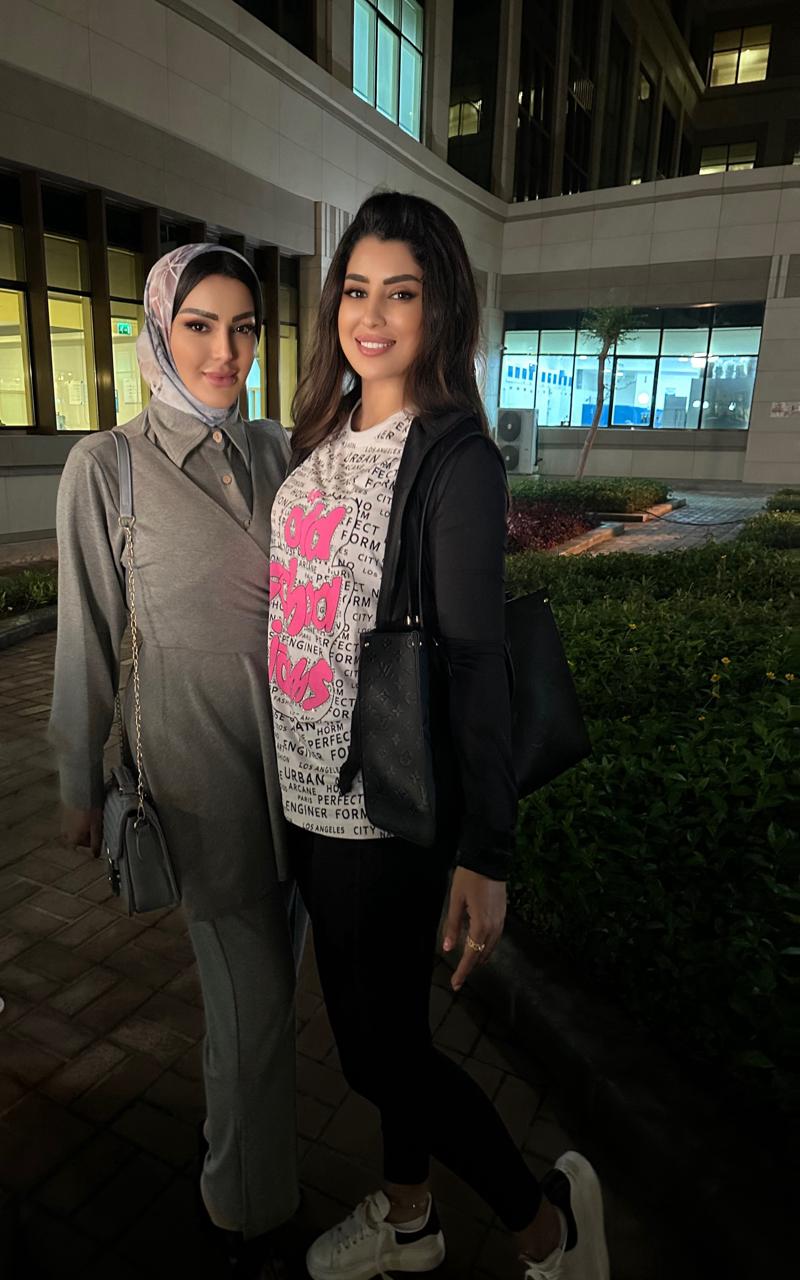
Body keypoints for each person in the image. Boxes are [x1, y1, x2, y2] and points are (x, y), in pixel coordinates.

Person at [268, 192, 609, 1280]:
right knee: (390, 1040)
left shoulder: (455, 455)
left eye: (400, 294)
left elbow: (472, 662)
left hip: (383, 808)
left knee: (376, 1058)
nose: (370, 317)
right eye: (356, 290)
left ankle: (546, 1224)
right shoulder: (320, 434)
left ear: (440, 308)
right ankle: (410, 1218)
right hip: (303, 797)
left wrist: (485, 854)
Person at [49, 243, 301, 1279]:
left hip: (304, 773)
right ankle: (246, 1214)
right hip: (202, 773)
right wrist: (79, 777)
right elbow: (85, 633)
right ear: (159, 330)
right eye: (199, 325)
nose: (224, 349)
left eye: (242, 327)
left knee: (254, 1002)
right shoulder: (108, 466)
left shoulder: (279, 447)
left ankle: (227, 1158)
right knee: (257, 1006)